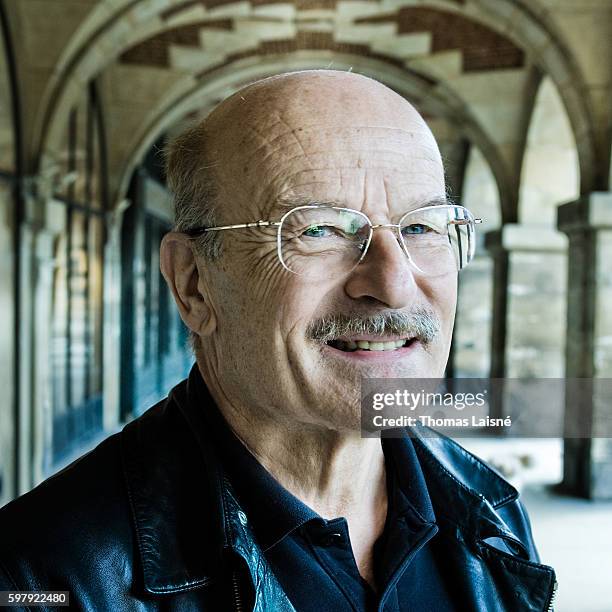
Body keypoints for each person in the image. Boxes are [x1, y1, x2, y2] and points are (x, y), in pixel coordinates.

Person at [0, 70, 556, 611]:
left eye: (423, 227)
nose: (393, 284)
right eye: (320, 229)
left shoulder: (492, 512)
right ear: (193, 283)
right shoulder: (41, 577)